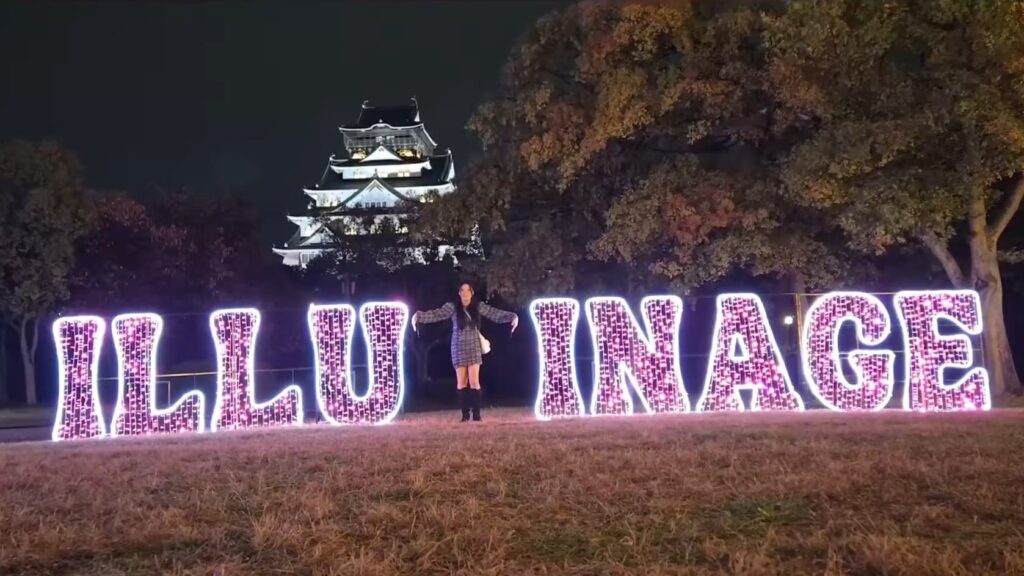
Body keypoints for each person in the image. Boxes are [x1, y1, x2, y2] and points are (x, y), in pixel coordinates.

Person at [412, 283, 518, 422]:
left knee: (474, 382)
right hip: (458, 346)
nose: (465, 293)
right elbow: (437, 314)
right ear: (459, 293)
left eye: (468, 290)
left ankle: (477, 415)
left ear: (472, 293)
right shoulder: (453, 307)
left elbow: (494, 313)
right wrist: (418, 316)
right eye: (462, 290)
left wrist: (512, 317)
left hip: (473, 346)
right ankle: (465, 415)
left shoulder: (478, 306)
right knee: (461, 382)